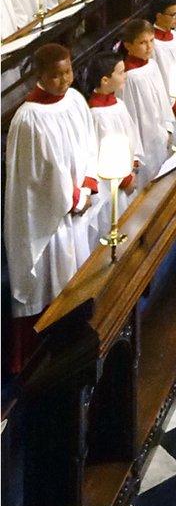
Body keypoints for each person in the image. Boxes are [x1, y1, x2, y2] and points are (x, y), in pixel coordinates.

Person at [3, 44, 98, 334]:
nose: (66, 80)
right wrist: (74, 197)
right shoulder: (29, 118)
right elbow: (37, 178)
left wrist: (89, 182)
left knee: (82, 270)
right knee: (57, 278)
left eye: (68, 71)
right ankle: (56, 334)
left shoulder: (75, 100)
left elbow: (89, 143)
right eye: (57, 75)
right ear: (40, 76)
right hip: (51, 218)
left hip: (78, 202)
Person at [86, 53, 141, 233]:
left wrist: (133, 163)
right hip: (112, 186)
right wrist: (125, 178)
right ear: (105, 80)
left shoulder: (118, 104)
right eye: (121, 72)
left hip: (127, 176)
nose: (125, 75)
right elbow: (100, 152)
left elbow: (131, 135)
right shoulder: (95, 115)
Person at [118, 17, 174, 182]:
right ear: (128, 46)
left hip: (160, 134)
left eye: (151, 40)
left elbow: (163, 100)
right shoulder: (129, 77)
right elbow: (131, 116)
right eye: (143, 43)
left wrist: (168, 126)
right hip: (144, 141)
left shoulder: (152, 65)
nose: (149, 47)